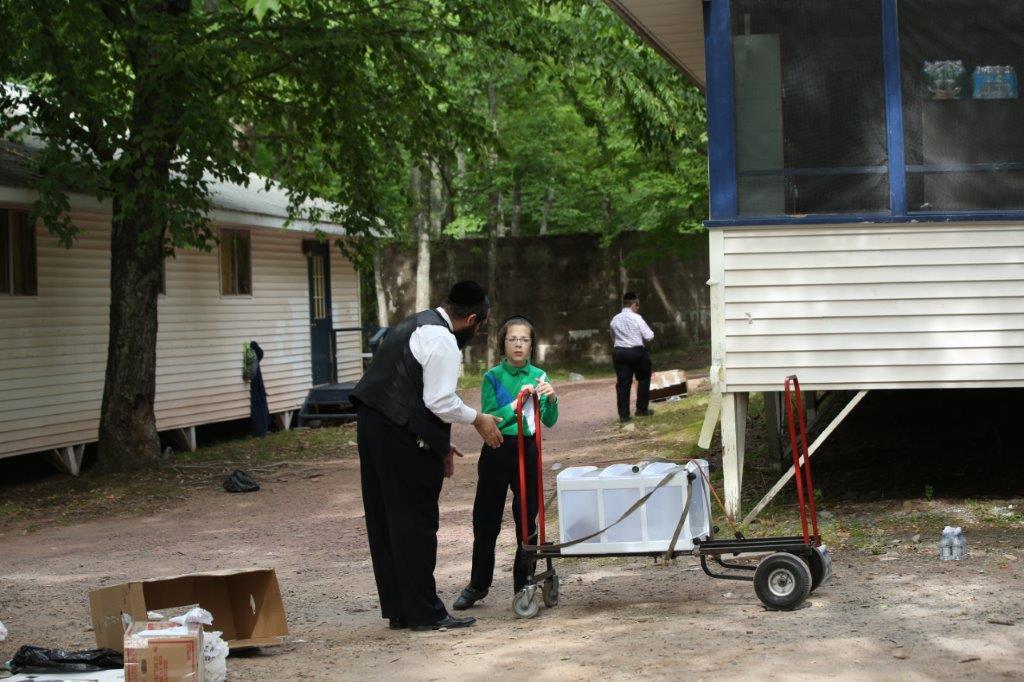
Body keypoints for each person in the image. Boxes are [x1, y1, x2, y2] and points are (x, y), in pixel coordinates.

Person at [350, 281, 503, 632]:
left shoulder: (415, 323)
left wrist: (438, 445)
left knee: (386, 518)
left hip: (373, 425)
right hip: (396, 432)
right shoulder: (443, 340)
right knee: (415, 519)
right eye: (480, 326)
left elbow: (409, 389)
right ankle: (425, 612)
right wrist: (479, 419)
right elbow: (439, 401)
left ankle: (401, 608)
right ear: (473, 319)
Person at [452, 316, 559, 611]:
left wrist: (551, 399)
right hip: (497, 448)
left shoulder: (540, 375)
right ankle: (478, 584)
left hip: (528, 448)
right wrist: (517, 404)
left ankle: (523, 582)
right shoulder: (493, 377)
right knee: (485, 520)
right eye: (513, 339)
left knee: (527, 519)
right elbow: (491, 419)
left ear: (532, 345)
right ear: (503, 343)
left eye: (524, 339)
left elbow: (549, 420)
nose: (518, 344)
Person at [609, 291, 655, 423]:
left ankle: (624, 415)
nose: (638, 308)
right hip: (636, 352)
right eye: (638, 305)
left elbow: (613, 337)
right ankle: (641, 409)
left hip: (620, 352)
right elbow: (649, 336)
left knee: (623, 384)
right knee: (644, 377)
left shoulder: (615, 319)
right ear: (634, 304)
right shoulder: (637, 318)